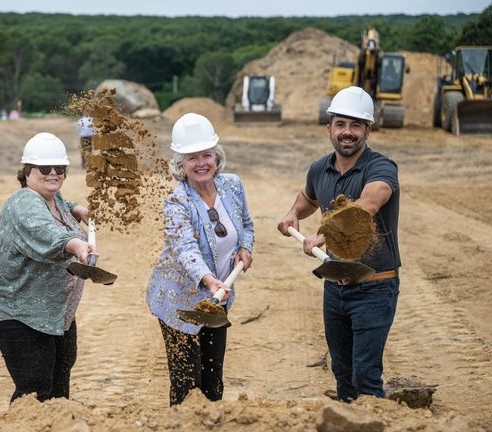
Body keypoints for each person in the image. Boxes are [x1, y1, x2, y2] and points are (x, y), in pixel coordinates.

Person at [277, 85, 400, 402]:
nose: (348, 132)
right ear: (329, 128)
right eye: (341, 124)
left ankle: (373, 419)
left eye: (356, 125)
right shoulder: (320, 168)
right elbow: (309, 197)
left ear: (368, 130)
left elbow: (369, 203)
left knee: (365, 376)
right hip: (335, 285)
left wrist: (327, 232)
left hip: (374, 285)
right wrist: (294, 214)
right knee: (342, 373)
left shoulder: (381, 167)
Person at [146, 113, 255, 406]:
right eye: (192, 157)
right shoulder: (177, 201)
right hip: (180, 303)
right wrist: (208, 279)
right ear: (181, 164)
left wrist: (245, 247)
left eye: (206, 154)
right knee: (186, 384)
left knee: (213, 379)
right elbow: (185, 250)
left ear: (216, 157)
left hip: (216, 302)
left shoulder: (232, 186)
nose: (201, 163)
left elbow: (245, 224)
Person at [0, 132, 96, 403]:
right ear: (27, 172)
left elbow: (60, 204)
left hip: (54, 314)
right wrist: (75, 245)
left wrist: (77, 208)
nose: (54, 173)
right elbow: (43, 233)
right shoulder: (24, 203)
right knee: (34, 394)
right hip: (20, 314)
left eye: (61, 169)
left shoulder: (53, 200)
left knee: (58, 394)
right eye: (45, 169)